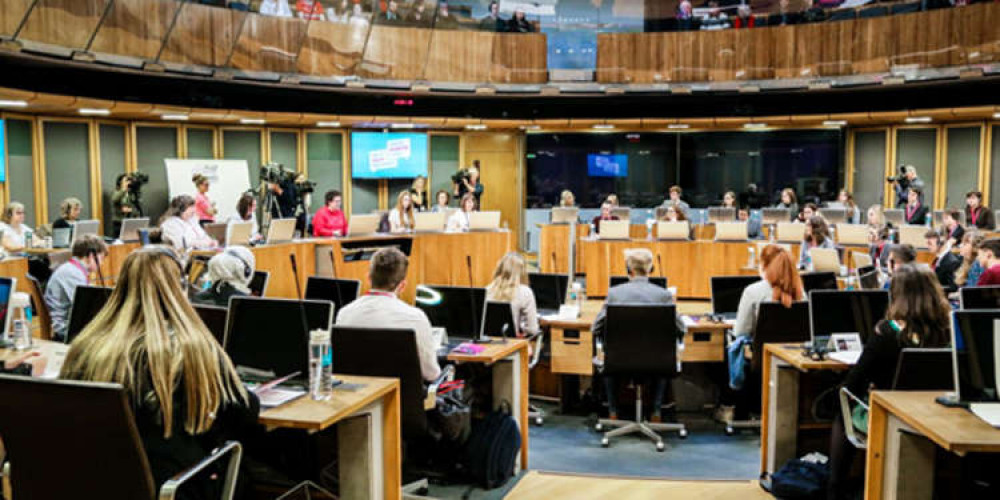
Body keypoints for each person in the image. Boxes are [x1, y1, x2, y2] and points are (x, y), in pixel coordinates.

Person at [59, 246, 259, 497]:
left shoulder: (86, 346)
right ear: (180, 289)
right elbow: (243, 410)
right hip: (172, 487)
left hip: (92, 484)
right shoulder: (190, 348)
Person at [827, 264, 950, 500]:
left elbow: (854, 383)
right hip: (935, 414)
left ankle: (835, 488)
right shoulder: (948, 331)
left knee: (842, 406)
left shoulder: (887, 331)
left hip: (890, 416)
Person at [592, 248, 674, 421]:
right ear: (651, 270)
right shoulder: (664, 295)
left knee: (607, 352)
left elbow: (596, 327)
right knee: (664, 351)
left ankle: (613, 412)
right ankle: (656, 412)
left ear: (628, 270)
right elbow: (680, 327)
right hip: (657, 361)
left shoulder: (614, 294)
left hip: (618, 360)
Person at [336, 247, 441, 381]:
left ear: (369, 278)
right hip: (403, 399)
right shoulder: (415, 317)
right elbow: (431, 374)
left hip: (359, 397)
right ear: (402, 286)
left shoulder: (344, 313)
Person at [43, 235, 108, 341]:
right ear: (92, 256)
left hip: (65, 325)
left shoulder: (72, 269)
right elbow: (86, 308)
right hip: (65, 330)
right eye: (101, 258)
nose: (102, 263)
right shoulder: (72, 273)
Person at [733, 245, 804, 339]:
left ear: (763, 265)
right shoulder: (801, 293)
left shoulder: (752, 291)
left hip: (761, 351)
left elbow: (740, 331)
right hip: (793, 352)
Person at [486, 252, 539, 337]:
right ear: (523, 271)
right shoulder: (525, 292)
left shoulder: (487, 290)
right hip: (512, 345)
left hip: (487, 343)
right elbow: (532, 330)